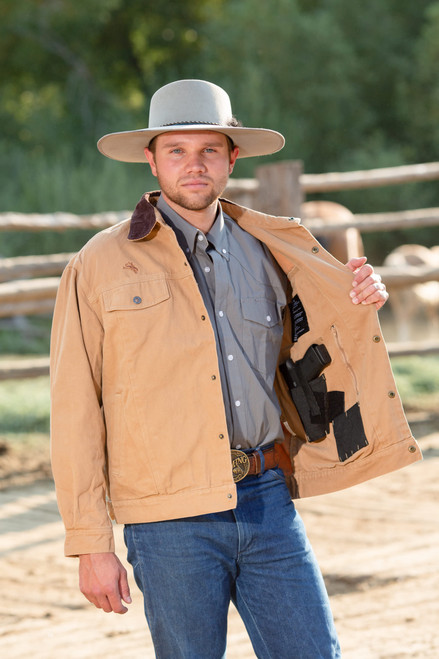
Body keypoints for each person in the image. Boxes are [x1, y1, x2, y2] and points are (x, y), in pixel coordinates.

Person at [50, 79, 421, 659]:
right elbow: (75, 411)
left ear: (231, 158)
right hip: (168, 520)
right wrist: (90, 543)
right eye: (176, 151)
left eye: (209, 151)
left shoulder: (274, 248)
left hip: (268, 499)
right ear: (151, 160)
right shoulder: (98, 265)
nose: (193, 166)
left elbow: (314, 339)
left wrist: (360, 296)